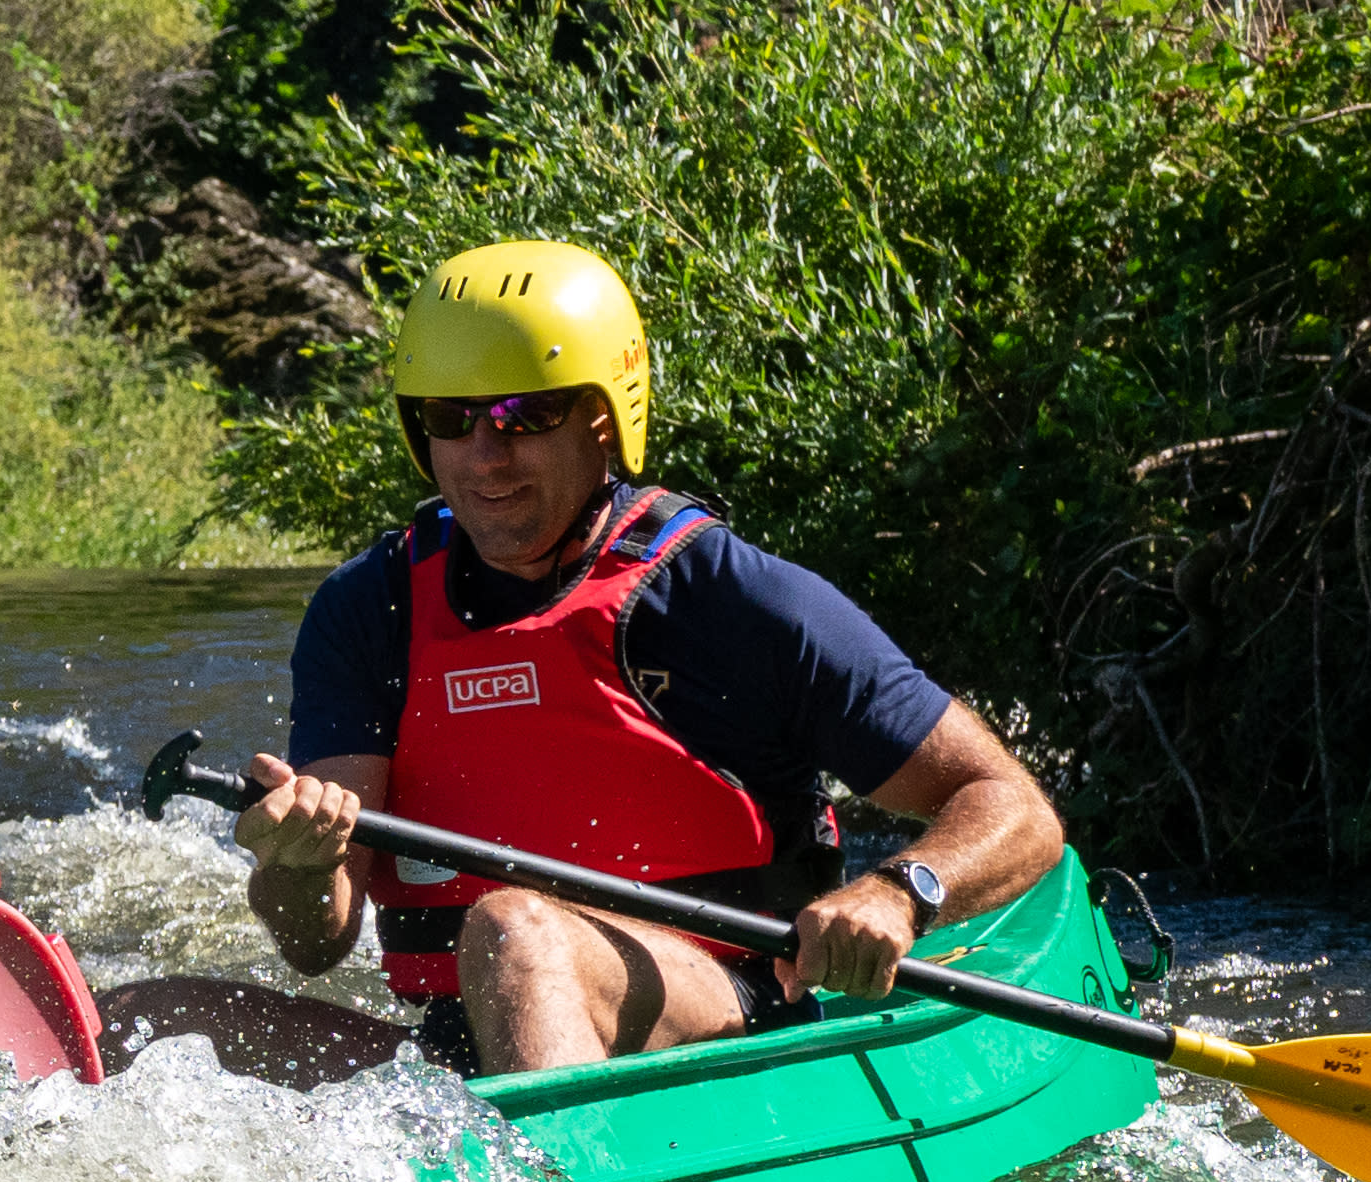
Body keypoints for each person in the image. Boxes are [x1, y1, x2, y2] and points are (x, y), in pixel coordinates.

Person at [116, 240, 1064, 1082]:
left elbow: (1012, 806)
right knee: (150, 1022)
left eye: (526, 415)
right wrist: (295, 865)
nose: (486, 455)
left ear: (605, 421)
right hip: (467, 1048)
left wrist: (901, 894)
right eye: (453, 417)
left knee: (514, 929)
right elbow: (316, 944)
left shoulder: (731, 600)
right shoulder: (372, 610)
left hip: (721, 1008)